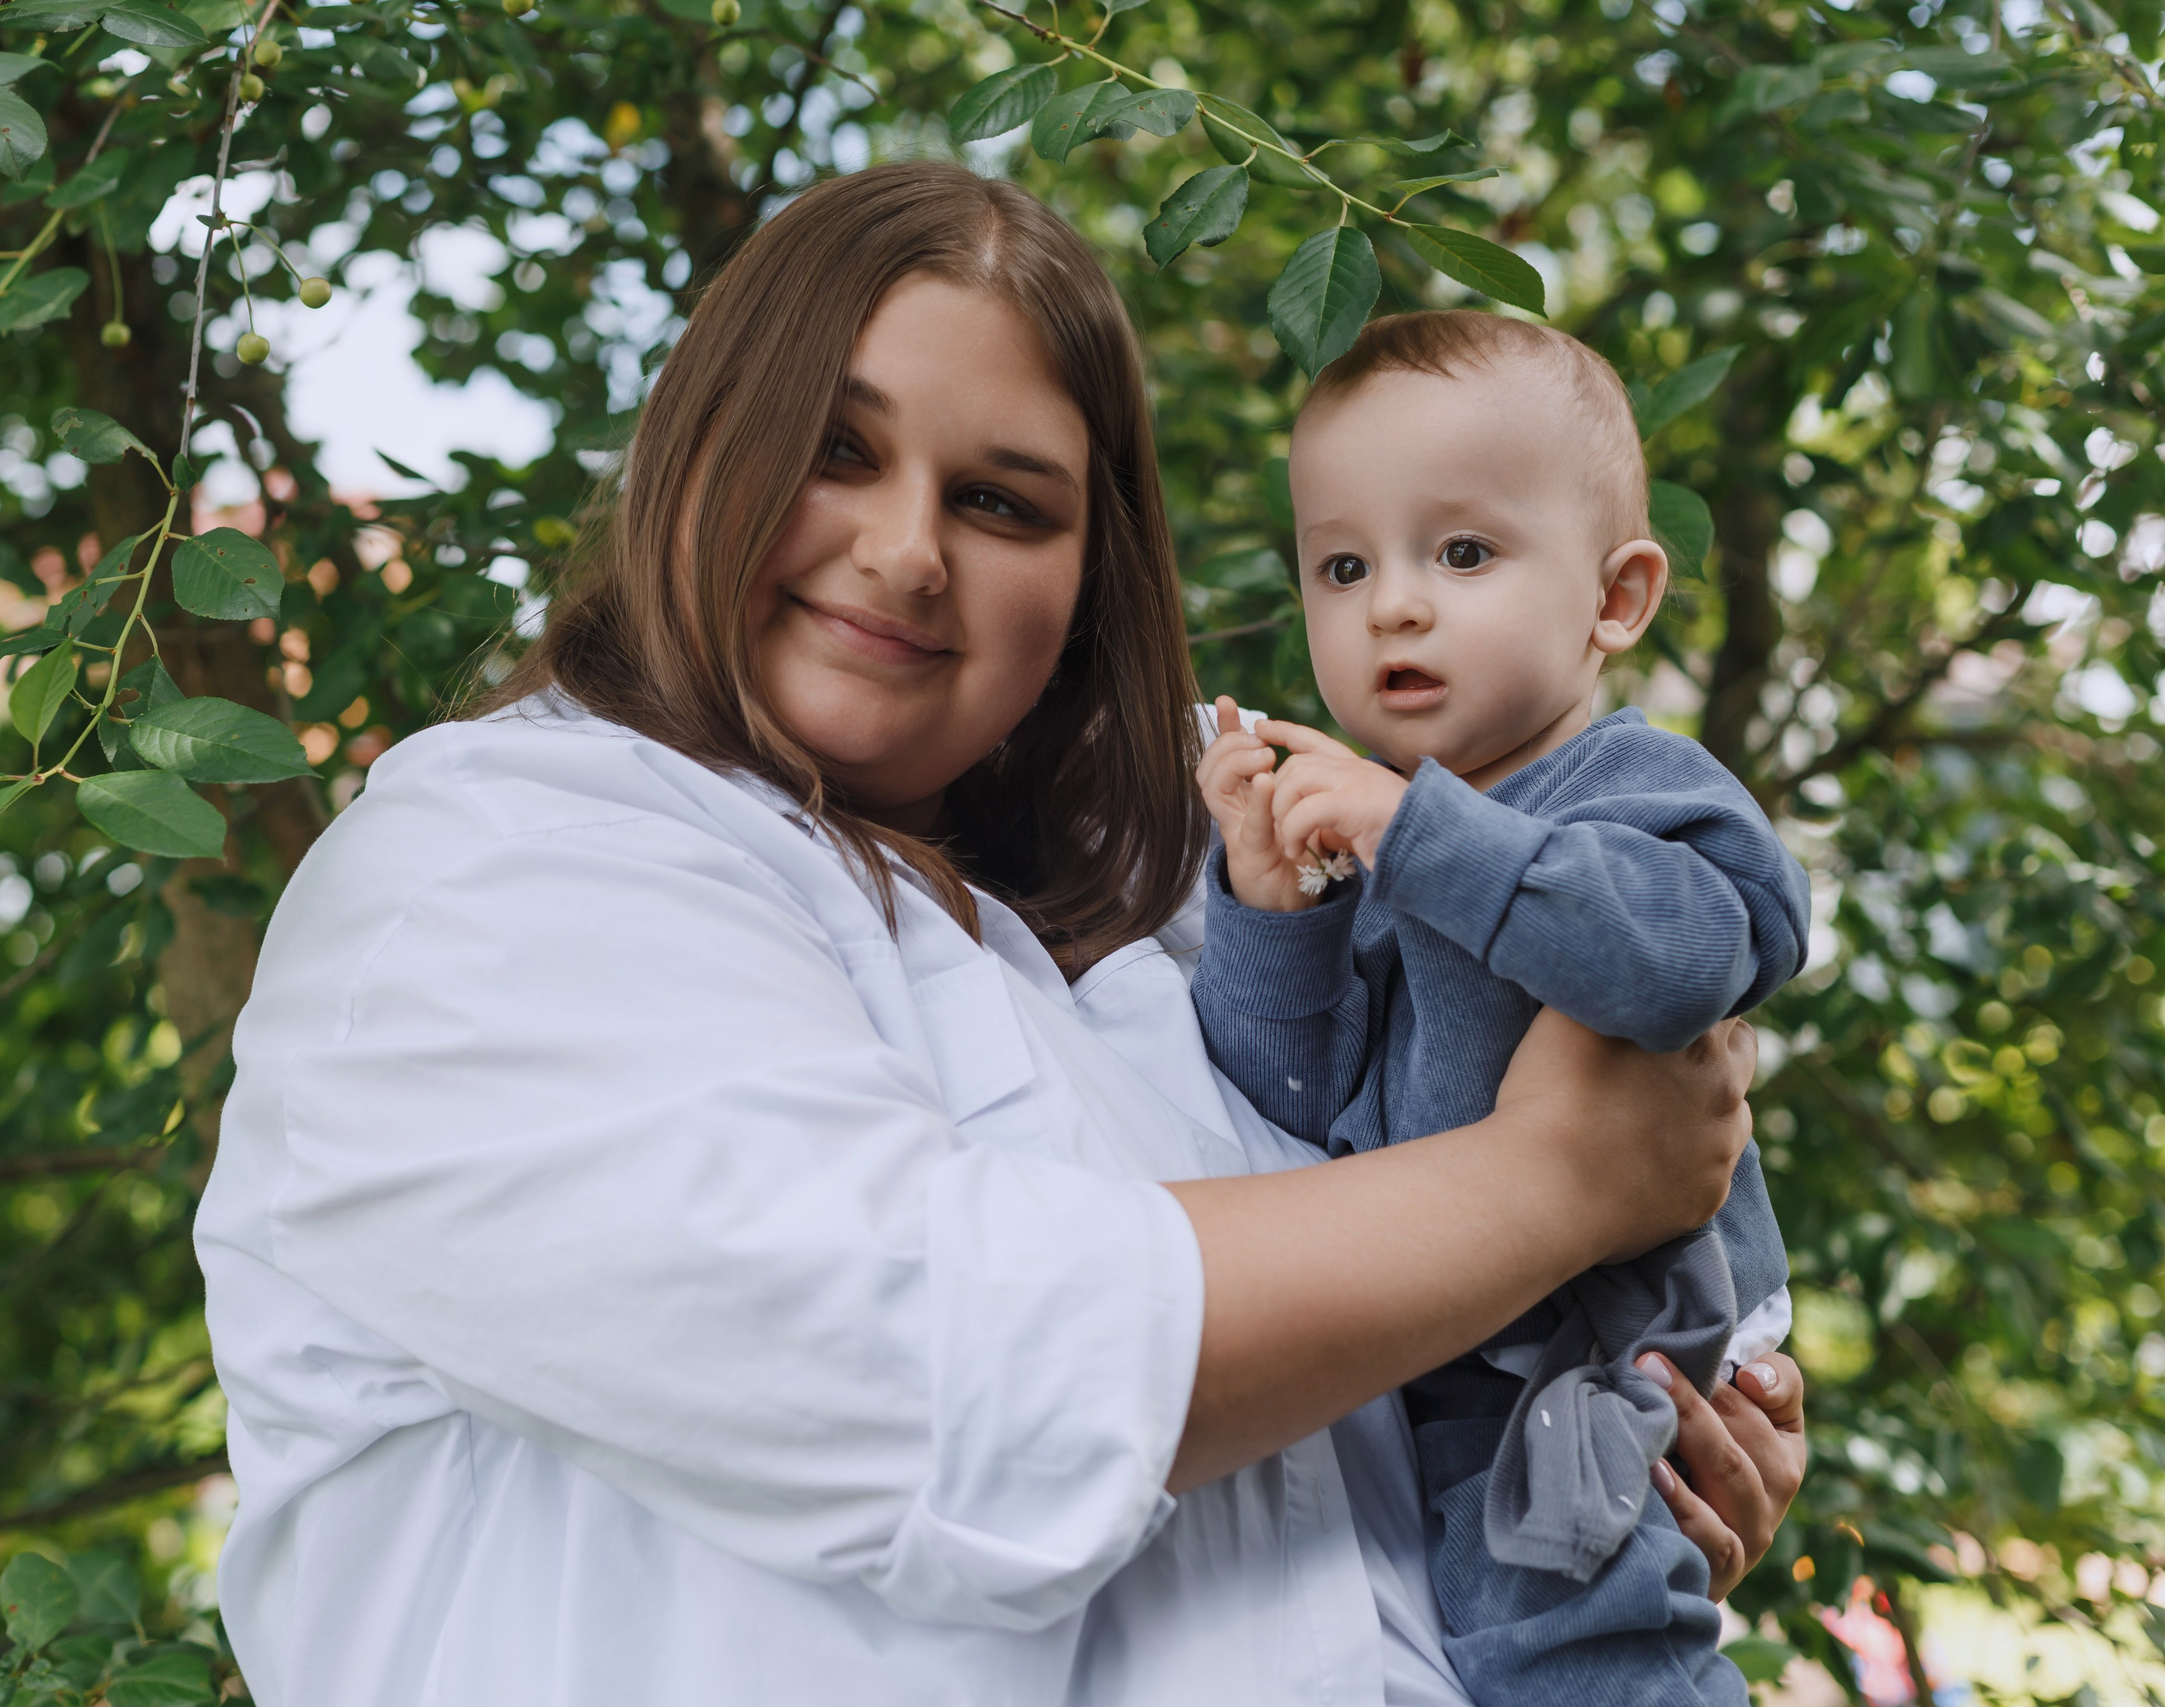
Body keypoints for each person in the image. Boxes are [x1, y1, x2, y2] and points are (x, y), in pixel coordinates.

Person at [195, 163, 1805, 1707]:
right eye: (833, 448)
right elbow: (945, 1373)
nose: (906, 552)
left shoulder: (1179, 920)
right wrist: (1556, 1186)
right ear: (693, 446)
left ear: (1089, 578)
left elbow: (1381, 1387)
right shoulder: (495, 863)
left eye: (997, 502)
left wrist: (1616, 1454)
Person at [1189, 310, 1810, 1707]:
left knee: (1578, 1658)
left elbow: (1682, 963)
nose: (1392, 607)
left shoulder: (1636, 788)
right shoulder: (1378, 844)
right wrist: (1274, 913)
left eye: (1462, 554)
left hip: (1600, 1356)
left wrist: (1413, 837)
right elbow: (1286, 1116)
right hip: (1439, 1362)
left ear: (1616, 599)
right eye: (1344, 566)